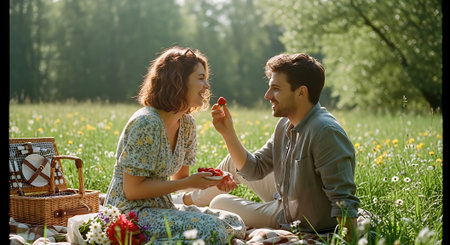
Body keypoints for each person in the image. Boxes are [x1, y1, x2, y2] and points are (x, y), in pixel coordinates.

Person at [175, 53, 360, 240]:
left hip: (297, 218)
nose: (267, 95)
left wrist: (350, 240)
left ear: (301, 92)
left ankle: (183, 204)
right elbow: (256, 169)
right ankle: (181, 201)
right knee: (233, 163)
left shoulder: (325, 132)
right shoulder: (285, 125)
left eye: (276, 89)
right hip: (287, 195)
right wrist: (228, 133)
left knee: (219, 203)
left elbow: (343, 199)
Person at [104, 46, 245, 244]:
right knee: (215, 231)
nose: (206, 86)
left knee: (234, 221)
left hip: (162, 207)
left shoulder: (186, 124)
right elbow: (133, 191)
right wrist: (188, 183)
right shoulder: (146, 123)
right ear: (178, 81)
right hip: (131, 213)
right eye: (200, 78)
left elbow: (181, 179)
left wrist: (212, 180)